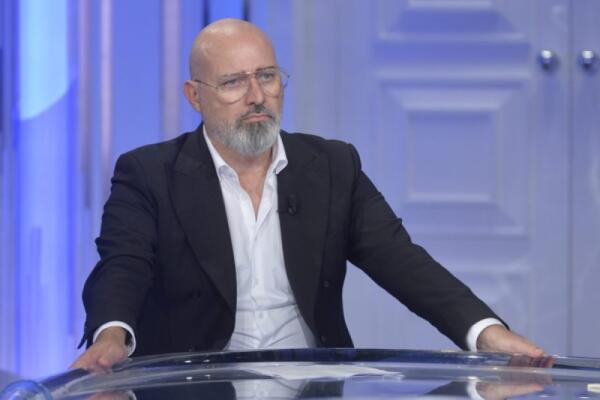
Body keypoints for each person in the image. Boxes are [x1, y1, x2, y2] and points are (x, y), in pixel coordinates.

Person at [72, 18, 544, 372]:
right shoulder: (149, 174)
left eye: (267, 76)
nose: (256, 96)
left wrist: (485, 332)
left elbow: (403, 262)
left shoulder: (333, 166)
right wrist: (112, 335)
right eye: (234, 82)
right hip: (198, 383)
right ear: (195, 96)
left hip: (311, 381)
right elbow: (123, 265)